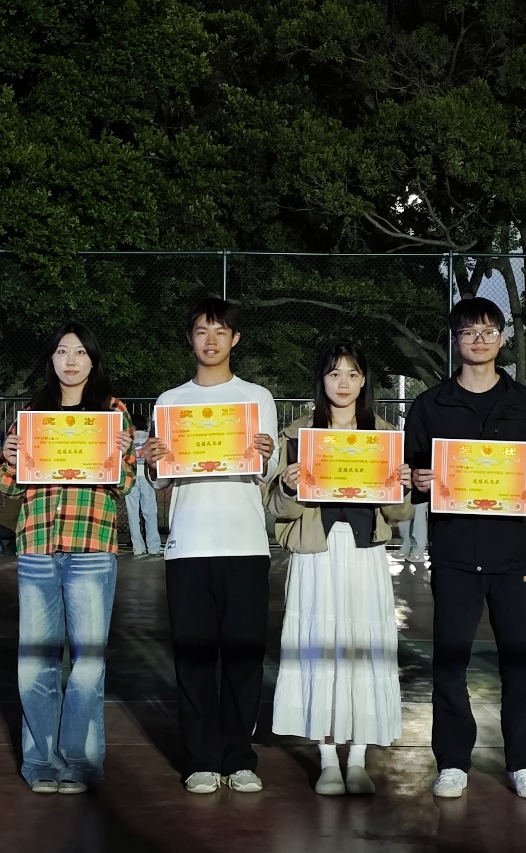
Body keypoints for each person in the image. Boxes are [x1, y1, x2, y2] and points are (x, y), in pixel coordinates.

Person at [406, 296, 526, 802]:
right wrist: (417, 480)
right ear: (456, 340)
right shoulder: (430, 406)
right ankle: (452, 761)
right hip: (453, 554)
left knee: (519, 664)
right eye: (469, 332)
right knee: (450, 663)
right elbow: (409, 475)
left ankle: (524, 763)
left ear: (502, 338)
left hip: (512, 556)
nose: (479, 340)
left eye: (489, 331)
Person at [142, 297, 279, 794]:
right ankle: (200, 759)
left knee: (244, 657)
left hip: (245, 545)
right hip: (188, 547)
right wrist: (152, 459)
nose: (211, 339)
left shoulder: (257, 398)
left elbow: (266, 469)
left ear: (235, 339)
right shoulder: (169, 401)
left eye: (221, 331)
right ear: (191, 339)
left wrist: (266, 453)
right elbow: (159, 479)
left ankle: (240, 758)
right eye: (202, 331)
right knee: (194, 658)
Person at [266, 340, 412, 796]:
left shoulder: (385, 436)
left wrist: (403, 485)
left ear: (364, 380)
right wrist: (289, 486)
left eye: (351, 373)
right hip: (316, 554)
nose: (343, 383)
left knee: (363, 648)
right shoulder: (298, 434)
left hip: (366, 555)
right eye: (334, 374)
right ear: (322, 380)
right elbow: (279, 511)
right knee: (320, 646)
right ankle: (328, 758)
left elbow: (400, 514)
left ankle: (358, 759)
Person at [0, 322, 135, 794]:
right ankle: (41, 761)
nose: (70, 360)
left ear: (93, 360)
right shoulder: (30, 415)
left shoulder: (113, 413)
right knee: (36, 661)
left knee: (89, 662)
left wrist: (123, 455)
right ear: (51, 360)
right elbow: (7, 486)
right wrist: (9, 456)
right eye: (61, 351)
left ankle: (80, 760)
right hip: (37, 544)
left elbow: (126, 484)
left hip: (92, 546)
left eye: (79, 352)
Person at [124, 413, 162, 556]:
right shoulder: (148, 438)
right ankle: (154, 547)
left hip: (131, 477)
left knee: (133, 514)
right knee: (150, 512)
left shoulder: (128, 439)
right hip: (146, 477)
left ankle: (138, 548)